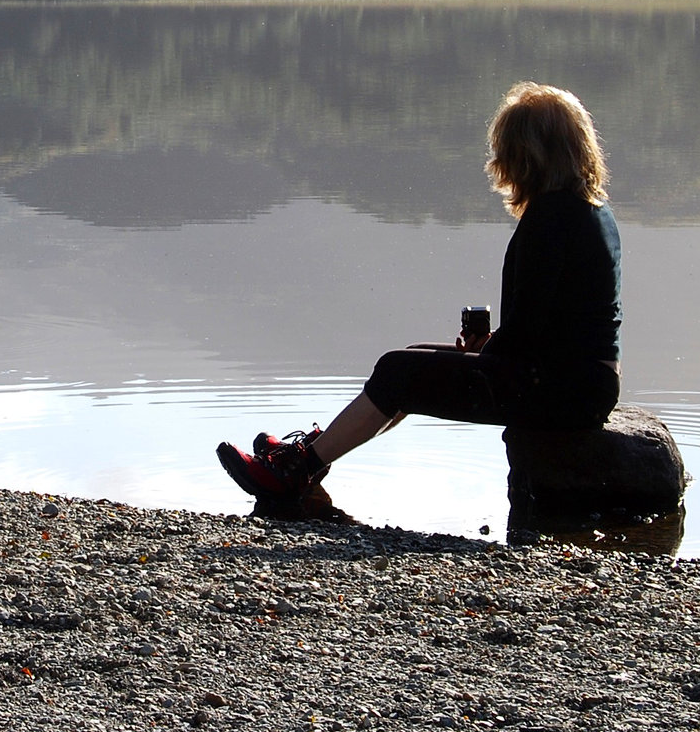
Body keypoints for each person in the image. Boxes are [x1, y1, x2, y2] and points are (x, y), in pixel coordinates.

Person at [216, 81, 622, 502]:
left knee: (399, 371)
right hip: (582, 382)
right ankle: (314, 453)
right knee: (413, 359)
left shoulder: (552, 217)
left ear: (525, 155)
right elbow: (547, 323)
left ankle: (296, 471)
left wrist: (488, 352)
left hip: (560, 389)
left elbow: (526, 331)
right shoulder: (591, 208)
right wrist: (487, 350)